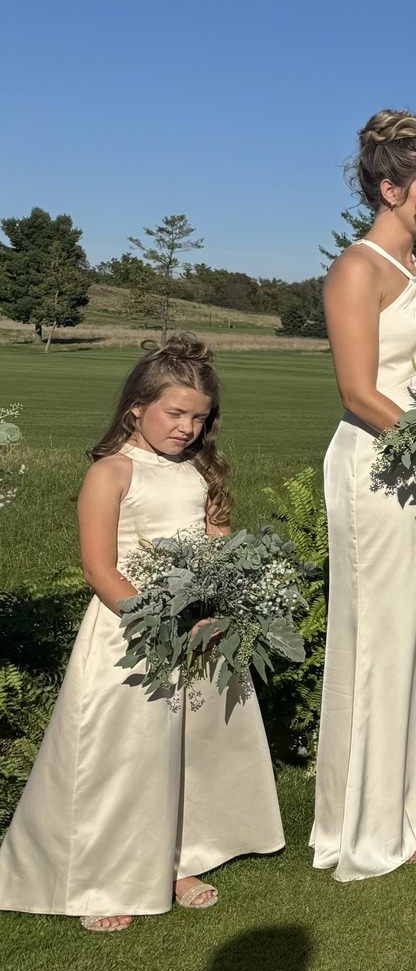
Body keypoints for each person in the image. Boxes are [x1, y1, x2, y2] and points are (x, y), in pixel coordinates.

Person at [0, 336, 283, 932]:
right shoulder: (111, 472)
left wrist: (219, 609)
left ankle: (182, 857)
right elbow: (99, 568)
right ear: (136, 408)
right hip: (131, 631)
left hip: (200, 631)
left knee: (191, 749)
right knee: (124, 755)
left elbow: (219, 548)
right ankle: (101, 876)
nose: (186, 429)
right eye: (174, 414)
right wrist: (163, 622)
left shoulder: (200, 471)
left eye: (199, 418)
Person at [313, 110, 416, 881]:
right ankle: (367, 823)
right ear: (390, 188)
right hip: (380, 471)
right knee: (378, 635)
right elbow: (358, 391)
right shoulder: (358, 269)